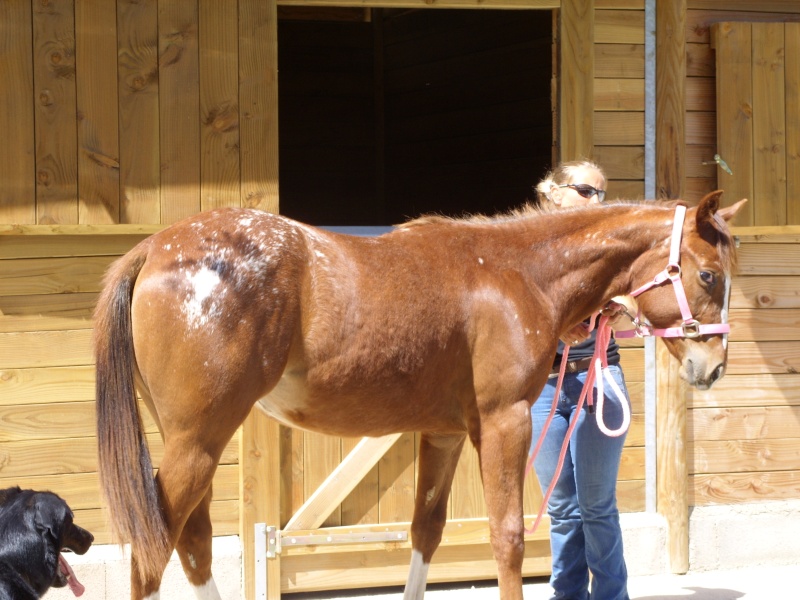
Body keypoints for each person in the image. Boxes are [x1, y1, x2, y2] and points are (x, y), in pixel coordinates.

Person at [531, 159, 632, 600]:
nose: (596, 201)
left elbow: (637, 306)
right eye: (586, 191)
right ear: (552, 192)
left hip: (599, 378)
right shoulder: (528, 248)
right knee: (562, 507)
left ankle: (611, 596)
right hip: (544, 385)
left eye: (600, 194)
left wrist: (624, 303)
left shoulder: (609, 247)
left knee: (596, 506)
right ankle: (566, 595)